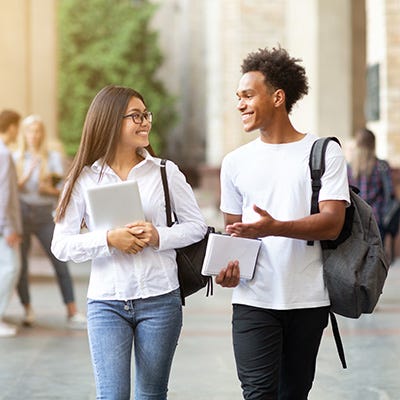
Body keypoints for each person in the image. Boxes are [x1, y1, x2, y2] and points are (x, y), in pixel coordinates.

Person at [51, 85, 207, 400]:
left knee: (151, 394)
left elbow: (197, 227)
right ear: (110, 121)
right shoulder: (82, 179)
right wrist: (108, 239)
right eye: (135, 116)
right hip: (106, 302)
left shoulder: (165, 172)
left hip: (160, 299)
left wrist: (158, 235)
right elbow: (61, 245)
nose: (145, 122)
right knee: (112, 395)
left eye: (146, 114)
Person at [215, 46, 350, 399]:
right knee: (258, 394)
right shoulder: (235, 162)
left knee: (293, 394)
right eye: (238, 96)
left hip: (307, 301)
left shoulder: (324, 152)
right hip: (253, 301)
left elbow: (332, 223)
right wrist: (227, 271)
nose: (240, 104)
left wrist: (274, 227)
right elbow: (235, 234)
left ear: (277, 97)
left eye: (248, 95)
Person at [13, 115, 86, 329]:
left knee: (60, 261)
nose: (33, 135)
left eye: (37, 131)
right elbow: (11, 189)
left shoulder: (52, 158)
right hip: (23, 215)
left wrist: (49, 190)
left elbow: (62, 189)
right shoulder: (16, 157)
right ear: (24, 135)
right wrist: (27, 174)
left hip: (45, 214)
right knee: (22, 266)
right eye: (29, 131)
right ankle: (27, 309)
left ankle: (72, 311)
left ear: (42, 133)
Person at [347, 128, 398, 244]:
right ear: (373, 144)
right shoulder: (382, 166)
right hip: (377, 221)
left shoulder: (348, 168)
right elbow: (390, 195)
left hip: (355, 221)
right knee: (377, 258)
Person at [0, 109, 22, 337]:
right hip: (3, 225)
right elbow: (4, 194)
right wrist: (9, 227)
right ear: (12, 127)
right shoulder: (4, 154)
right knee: (11, 268)